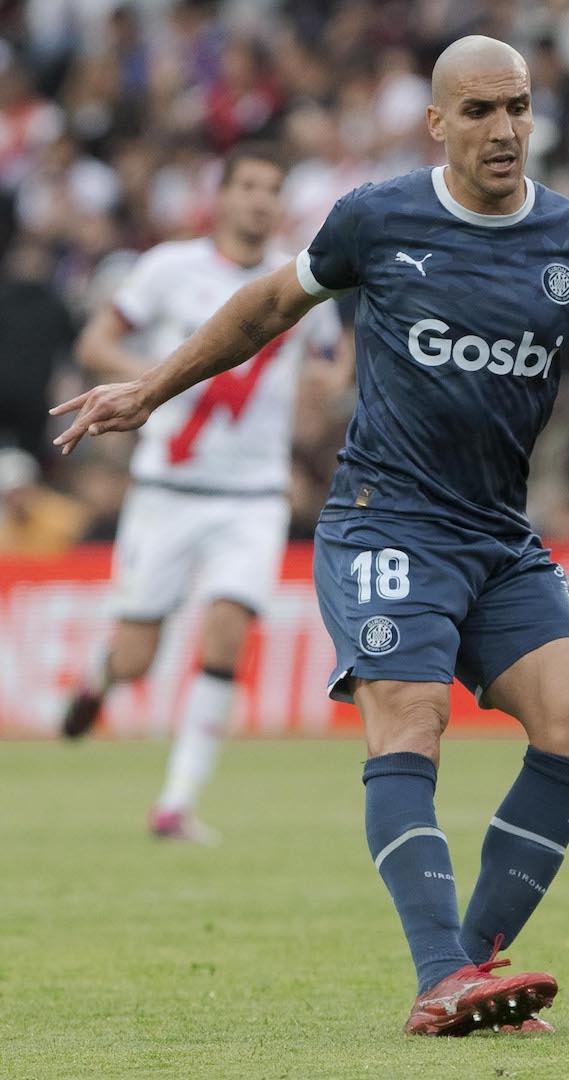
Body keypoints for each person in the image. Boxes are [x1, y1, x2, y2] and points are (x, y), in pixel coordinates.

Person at [50, 37, 569, 1036]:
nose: (503, 129)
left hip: (494, 534)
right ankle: (443, 976)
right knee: (411, 718)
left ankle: (467, 969)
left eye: (515, 106)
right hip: (383, 519)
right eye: (476, 112)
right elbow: (265, 306)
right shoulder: (378, 218)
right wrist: (148, 388)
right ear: (437, 123)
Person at [59, 143, 341, 846]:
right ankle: (100, 679)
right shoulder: (169, 269)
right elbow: (96, 343)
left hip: (253, 495)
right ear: (221, 195)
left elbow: (336, 366)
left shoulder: (302, 278)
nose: (259, 200)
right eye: (247, 185)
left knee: (227, 631)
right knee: (136, 658)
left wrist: (324, 392)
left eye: (272, 188)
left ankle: (176, 803)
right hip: (168, 488)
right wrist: (159, 378)